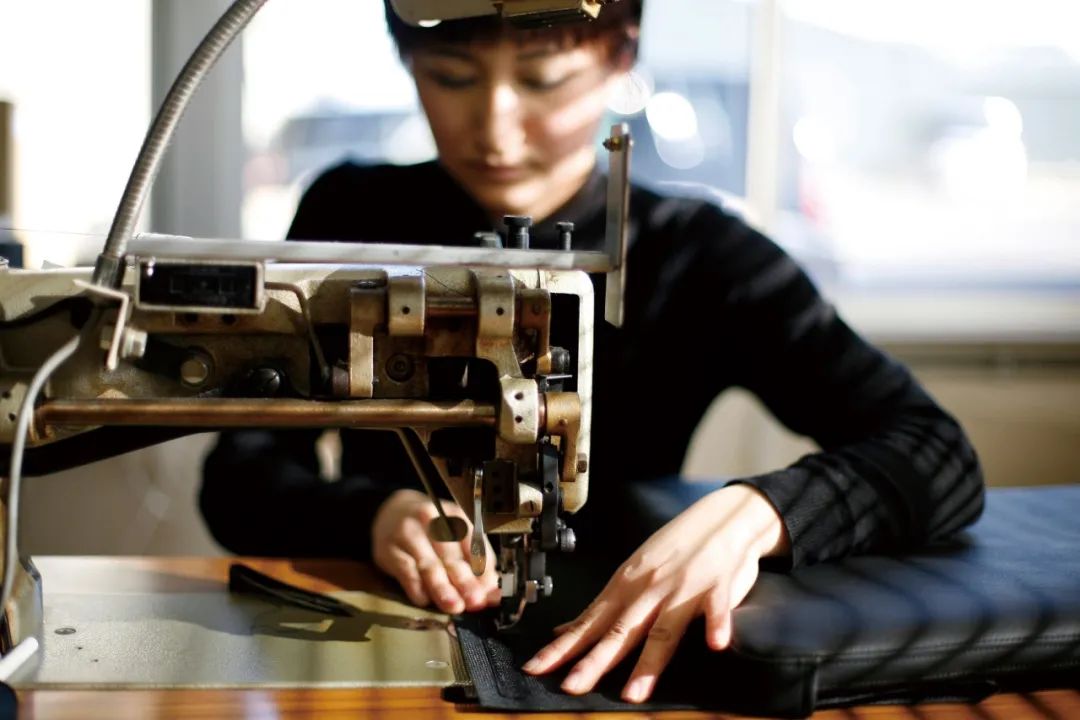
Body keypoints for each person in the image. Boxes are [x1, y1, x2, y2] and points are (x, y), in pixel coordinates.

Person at [201, 0, 984, 704]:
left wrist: (759, 514)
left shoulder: (702, 256)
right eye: (451, 77)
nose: (495, 128)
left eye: (543, 81)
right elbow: (238, 478)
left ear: (621, 55)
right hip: (384, 646)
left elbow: (936, 450)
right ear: (406, 58)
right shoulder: (348, 216)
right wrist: (372, 516)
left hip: (626, 658)